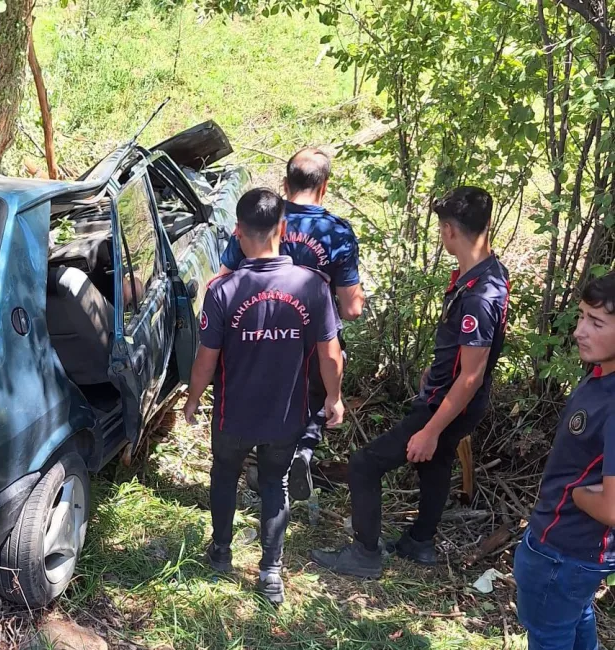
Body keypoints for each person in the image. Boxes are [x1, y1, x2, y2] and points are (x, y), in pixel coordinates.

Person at [310, 186, 510, 577]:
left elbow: (471, 376)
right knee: (435, 464)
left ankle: (365, 554)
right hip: (452, 396)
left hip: (448, 405)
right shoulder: (486, 273)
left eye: (441, 228)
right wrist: (435, 372)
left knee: (365, 465)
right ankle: (419, 542)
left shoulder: (481, 296)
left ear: (450, 231)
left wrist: (432, 428)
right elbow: (464, 358)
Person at [183, 187, 345, 605]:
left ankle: (221, 552)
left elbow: (206, 358)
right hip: (286, 413)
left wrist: (193, 398)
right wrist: (334, 398)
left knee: (224, 474)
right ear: (283, 229)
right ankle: (270, 573)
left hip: (232, 413)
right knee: (274, 483)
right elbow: (331, 354)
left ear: (237, 232)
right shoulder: (312, 286)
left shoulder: (223, 291)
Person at [216, 148, 364, 501]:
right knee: (315, 398)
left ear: (285, 183)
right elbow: (353, 308)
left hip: (255, 337)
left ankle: (259, 464)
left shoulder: (261, 219)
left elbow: (222, 278)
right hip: (313, 341)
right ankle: (301, 453)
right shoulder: (337, 233)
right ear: (324, 187)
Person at [515, 272, 615, 650]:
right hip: (569, 551)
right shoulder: (601, 374)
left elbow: (612, 507)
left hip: (564, 551)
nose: (579, 331)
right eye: (581, 317)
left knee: (548, 634)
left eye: (596, 322)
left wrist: (577, 497)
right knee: (571, 618)